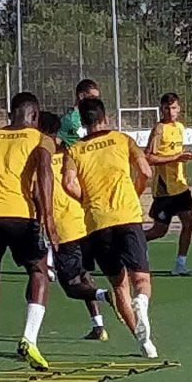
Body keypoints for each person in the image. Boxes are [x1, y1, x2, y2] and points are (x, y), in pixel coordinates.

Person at [0, 92, 57, 382]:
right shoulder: (41, 139)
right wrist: (49, 217)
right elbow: (45, 172)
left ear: (11, 114)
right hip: (20, 215)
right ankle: (29, 338)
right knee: (39, 270)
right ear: (35, 115)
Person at [62, 97, 159, 358]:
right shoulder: (122, 139)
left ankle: (144, 343)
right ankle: (143, 304)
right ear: (105, 117)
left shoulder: (74, 151)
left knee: (118, 285)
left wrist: (87, 199)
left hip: (97, 223)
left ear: (82, 122)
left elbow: (69, 183)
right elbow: (146, 172)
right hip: (127, 215)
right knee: (141, 279)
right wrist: (134, 191)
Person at [39, 110, 120, 341]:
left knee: (71, 286)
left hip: (64, 230)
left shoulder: (40, 159)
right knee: (84, 276)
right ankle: (98, 326)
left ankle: (105, 295)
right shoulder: (69, 154)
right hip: (83, 225)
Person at [143, 92, 192, 276]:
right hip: (164, 189)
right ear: (161, 109)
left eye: (174, 108)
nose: (170, 112)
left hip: (180, 186)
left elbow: (177, 155)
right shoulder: (159, 129)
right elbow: (148, 157)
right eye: (167, 108)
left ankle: (180, 264)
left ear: (179, 109)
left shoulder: (179, 127)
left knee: (189, 221)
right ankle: (131, 243)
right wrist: (176, 157)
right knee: (159, 231)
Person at [59, 79, 100, 148]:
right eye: (92, 97)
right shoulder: (68, 119)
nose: (95, 101)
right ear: (81, 96)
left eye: (97, 98)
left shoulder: (95, 115)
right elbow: (58, 141)